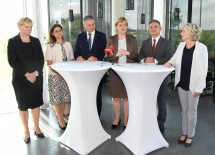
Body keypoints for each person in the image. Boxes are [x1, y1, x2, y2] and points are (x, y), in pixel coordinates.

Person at [164, 23, 208, 147]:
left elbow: (203, 70)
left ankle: (190, 135)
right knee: (184, 110)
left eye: (183, 31)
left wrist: (199, 87)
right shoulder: (181, 45)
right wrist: (169, 63)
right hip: (181, 82)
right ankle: (184, 133)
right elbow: (174, 59)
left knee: (191, 111)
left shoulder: (201, 48)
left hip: (194, 85)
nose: (181, 33)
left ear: (190, 33)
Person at [7, 17, 45, 144]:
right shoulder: (12, 41)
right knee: (23, 106)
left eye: (30, 27)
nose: (29, 29)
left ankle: (36, 127)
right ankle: (26, 130)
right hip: (20, 79)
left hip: (36, 77)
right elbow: (12, 61)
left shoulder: (36, 41)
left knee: (36, 103)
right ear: (19, 26)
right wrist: (27, 74)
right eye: (26, 27)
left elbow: (41, 59)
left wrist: (35, 73)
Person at [138, 19, 173, 133]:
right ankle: (148, 121)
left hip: (162, 78)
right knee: (148, 101)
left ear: (160, 29)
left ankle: (161, 123)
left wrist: (155, 61)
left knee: (161, 101)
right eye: (151, 27)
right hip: (147, 78)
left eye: (155, 27)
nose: (153, 29)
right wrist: (144, 60)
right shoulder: (145, 42)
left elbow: (169, 58)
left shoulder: (167, 43)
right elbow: (139, 57)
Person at [107, 17, 138, 129]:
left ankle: (126, 119)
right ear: (116, 27)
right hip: (115, 71)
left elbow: (136, 56)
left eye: (125, 24)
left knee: (126, 98)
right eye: (120, 25)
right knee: (115, 97)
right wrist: (116, 55)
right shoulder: (111, 39)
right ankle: (117, 118)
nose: (123, 27)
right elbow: (108, 56)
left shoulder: (132, 39)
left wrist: (127, 52)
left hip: (129, 71)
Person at [74, 15, 106, 117]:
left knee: (97, 93)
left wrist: (96, 58)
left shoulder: (102, 36)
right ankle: (85, 115)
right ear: (84, 25)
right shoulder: (80, 36)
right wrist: (78, 56)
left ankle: (97, 116)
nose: (92, 27)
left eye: (93, 24)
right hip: (83, 71)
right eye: (89, 25)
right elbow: (76, 51)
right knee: (84, 93)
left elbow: (103, 52)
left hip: (97, 70)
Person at [45, 24, 74, 130]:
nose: (58, 32)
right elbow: (49, 63)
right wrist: (60, 74)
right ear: (52, 33)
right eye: (56, 31)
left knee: (64, 98)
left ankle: (60, 117)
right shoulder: (49, 46)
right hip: (55, 76)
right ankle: (61, 120)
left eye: (60, 30)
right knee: (57, 100)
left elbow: (71, 60)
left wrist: (68, 74)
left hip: (67, 76)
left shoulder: (68, 44)